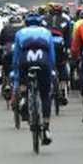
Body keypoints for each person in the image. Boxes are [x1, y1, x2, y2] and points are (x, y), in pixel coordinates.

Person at [12, 13, 56, 144]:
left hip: (25, 61)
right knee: (44, 95)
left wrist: (16, 72)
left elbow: (16, 55)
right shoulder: (47, 32)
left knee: (23, 79)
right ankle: (46, 128)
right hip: (43, 62)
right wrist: (52, 68)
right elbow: (51, 53)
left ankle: (25, 98)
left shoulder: (20, 32)